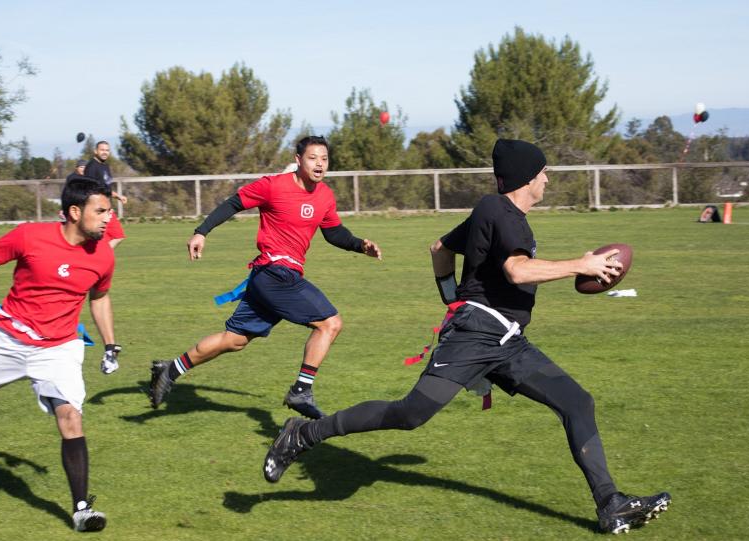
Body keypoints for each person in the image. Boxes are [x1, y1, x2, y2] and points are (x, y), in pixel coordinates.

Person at [262, 139, 671, 535]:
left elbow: (440, 248)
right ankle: (303, 433)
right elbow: (518, 271)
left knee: (578, 403)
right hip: (474, 336)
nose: (547, 180)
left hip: (506, 340)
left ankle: (610, 504)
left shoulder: (495, 213)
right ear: (527, 177)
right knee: (409, 415)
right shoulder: (499, 210)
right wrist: (581, 264)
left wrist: (451, 299)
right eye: (544, 172)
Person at [148, 135, 382, 419]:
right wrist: (201, 231)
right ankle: (301, 390)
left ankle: (168, 370)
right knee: (330, 324)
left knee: (234, 340)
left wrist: (360, 245)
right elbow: (233, 203)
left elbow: (333, 232)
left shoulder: (324, 196)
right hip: (274, 273)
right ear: (298, 161)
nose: (320, 164)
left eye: (324, 158)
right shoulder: (273, 186)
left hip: (271, 278)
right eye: (313, 158)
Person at [0, 178, 122, 532]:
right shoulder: (29, 236)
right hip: (8, 340)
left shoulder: (103, 254)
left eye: (109, 210)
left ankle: (81, 509)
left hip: (59, 347)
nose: (109, 218)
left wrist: (109, 343)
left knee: (71, 417)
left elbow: (100, 298)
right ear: (75, 212)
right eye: (102, 210)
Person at [83, 141, 126, 249]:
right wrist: (97, 209)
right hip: (99, 209)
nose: (104, 152)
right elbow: (90, 189)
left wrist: (118, 197)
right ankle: (99, 258)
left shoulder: (104, 166)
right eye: (102, 150)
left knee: (117, 236)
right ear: (95, 151)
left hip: (106, 208)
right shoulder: (92, 167)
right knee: (109, 237)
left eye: (107, 150)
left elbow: (105, 187)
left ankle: (100, 257)